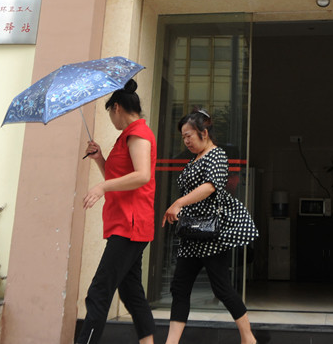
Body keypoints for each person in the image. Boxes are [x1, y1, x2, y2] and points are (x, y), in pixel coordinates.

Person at [161, 108, 260, 344]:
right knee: (179, 287)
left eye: (189, 136)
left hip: (212, 234)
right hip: (191, 234)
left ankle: (248, 338)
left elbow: (211, 186)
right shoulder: (193, 159)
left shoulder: (217, 156)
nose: (186, 141)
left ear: (204, 133)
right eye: (183, 137)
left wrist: (178, 203)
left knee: (221, 288)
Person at [75, 79, 157, 344]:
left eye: (109, 112)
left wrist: (101, 187)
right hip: (128, 224)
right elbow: (121, 176)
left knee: (99, 290)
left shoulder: (138, 134)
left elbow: (142, 175)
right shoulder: (129, 135)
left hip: (130, 225)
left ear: (117, 108)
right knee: (131, 292)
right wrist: (100, 158)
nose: (110, 118)